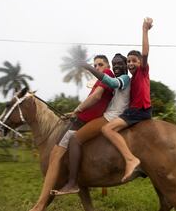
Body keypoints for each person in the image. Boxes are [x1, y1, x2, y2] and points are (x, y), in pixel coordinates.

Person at [29, 55, 114, 211]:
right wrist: (73, 113)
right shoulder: (98, 80)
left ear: (107, 65)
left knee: (55, 155)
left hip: (82, 122)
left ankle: (41, 205)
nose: (97, 67)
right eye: (95, 65)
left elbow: (96, 97)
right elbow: (91, 103)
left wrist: (77, 110)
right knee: (57, 154)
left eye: (100, 64)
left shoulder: (107, 74)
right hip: (79, 119)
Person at [51, 53, 130, 195]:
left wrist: (86, 66)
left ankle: (72, 183)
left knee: (74, 139)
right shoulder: (118, 78)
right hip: (110, 115)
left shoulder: (123, 79)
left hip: (111, 117)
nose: (117, 66)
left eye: (120, 63)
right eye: (115, 64)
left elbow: (107, 87)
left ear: (125, 65)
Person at [101, 17, 153, 182]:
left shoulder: (142, 71)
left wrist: (144, 30)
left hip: (138, 111)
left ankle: (131, 159)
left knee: (107, 129)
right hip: (138, 110)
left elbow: (145, 53)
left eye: (134, 61)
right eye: (129, 61)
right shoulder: (132, 79)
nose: (131, 63)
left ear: (140, 62)